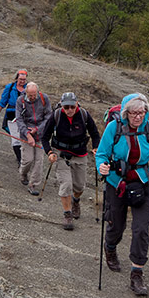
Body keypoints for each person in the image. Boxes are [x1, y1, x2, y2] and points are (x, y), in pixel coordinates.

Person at [96, 92, 149, 296]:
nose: (138, 116)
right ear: (126, 113)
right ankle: (110, 247)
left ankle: (136, 274)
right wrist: (102, 167)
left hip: (141, 182)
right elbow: (102, 154)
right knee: (117, 226)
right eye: (134, 113)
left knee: (141, 230)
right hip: (116, 182)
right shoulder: (114, 128)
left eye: (142, 112)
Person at [41, 92, 101, 231]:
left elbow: (95, 134)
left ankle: (76, 201)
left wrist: (96, 147)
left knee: (79, 187)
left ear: (76, 104)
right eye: (66, 107)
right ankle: (67, 214)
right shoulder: (56, 115)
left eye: (72, 107)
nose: (69, 110)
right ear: (62, 105)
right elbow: (45, 137)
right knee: (66, 184)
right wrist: (49, 152)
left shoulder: (84, 115)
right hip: (60, 154)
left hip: (80, 154)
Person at [15, 81, 51, 195]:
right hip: (26, 134)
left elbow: (49, 116)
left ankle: (33, 184)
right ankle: (23, 173)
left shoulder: (44, 98)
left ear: (38, 92)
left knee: (39, 160)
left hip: (40, 134)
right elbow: (19, 119)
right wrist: (27, 134)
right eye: (30, 95)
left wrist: (37, 129)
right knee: (28, 160)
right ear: (26, 93)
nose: (32, 97)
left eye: (34, 95)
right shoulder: (20, 101)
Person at [0, 70, 28, 168]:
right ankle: (20, 161)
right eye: (20, 79)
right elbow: (2, 102)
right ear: (17, 78)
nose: (22, 81)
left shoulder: (29, 88)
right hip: (12, 116)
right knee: (15, 139)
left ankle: (23, 157)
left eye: (24, 79)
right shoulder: (10, 87)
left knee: (24, 137)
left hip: (25, 116)